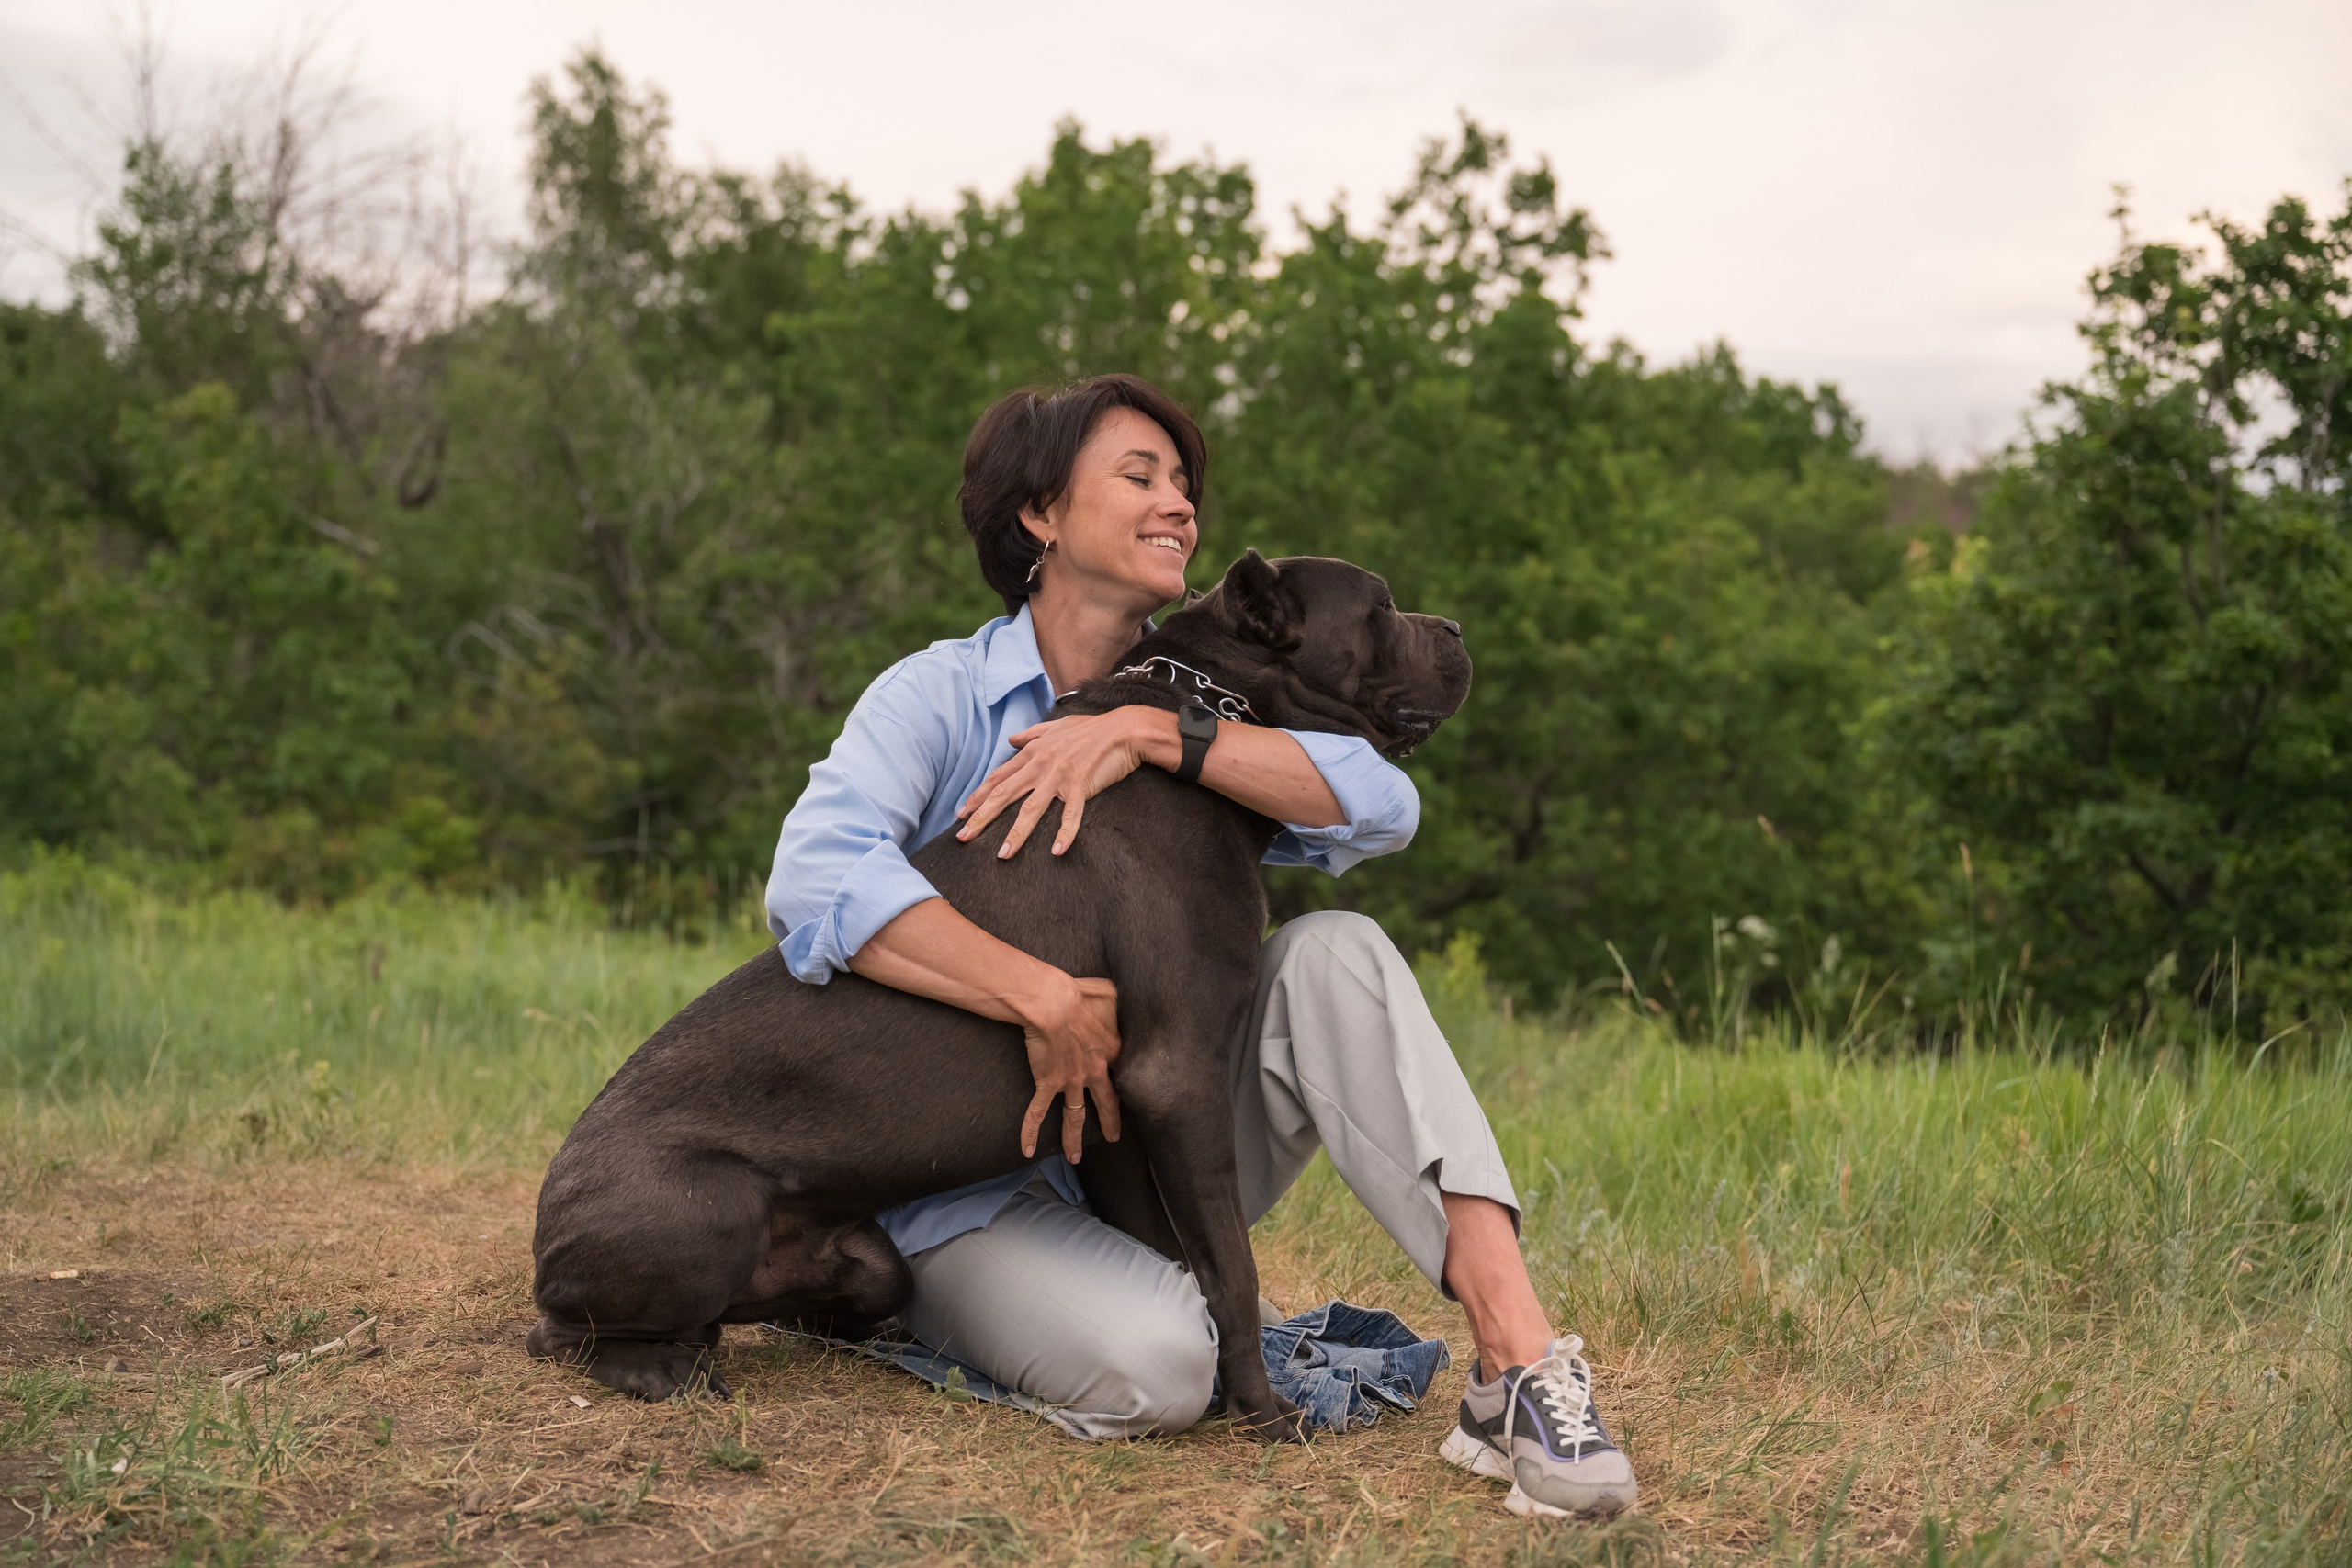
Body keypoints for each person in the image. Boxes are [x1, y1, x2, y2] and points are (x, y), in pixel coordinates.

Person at [764, 374, 1637, 1519]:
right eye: (1139, 476)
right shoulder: (940, 697)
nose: (1178, 503)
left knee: (1338, 954)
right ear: (1039, 513)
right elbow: (813, 879)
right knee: (1165, 1373)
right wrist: (1035, 995)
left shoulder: (1204, 694)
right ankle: (905, 1313)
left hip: (1154, 1141)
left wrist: (1156, 734)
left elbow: (1381, 805)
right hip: (962, 1186)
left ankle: (1514, 1366)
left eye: (1182, 482)